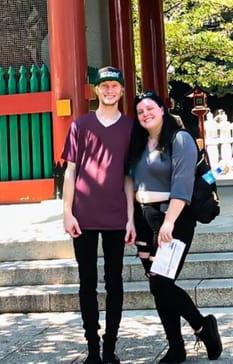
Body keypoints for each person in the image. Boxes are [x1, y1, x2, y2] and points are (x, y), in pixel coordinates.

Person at [128, 91, 223, 362]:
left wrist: (169, 221)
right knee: (157, 284)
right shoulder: (140, 143)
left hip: (174, 217)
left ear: (162, 109)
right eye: (140, 111)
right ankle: (176, 347)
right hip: (145, 218)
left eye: (150, 108)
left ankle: (203, 327)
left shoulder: (179, 139)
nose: (145, 113)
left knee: (161, 283)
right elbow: (131, 182)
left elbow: (183, 184)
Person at [61, 66, 136, 364]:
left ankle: (110, 346)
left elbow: (130, 177)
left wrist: (131, 217)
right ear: (96, 90)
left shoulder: (131, 127)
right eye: (103, 85)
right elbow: (70, 171)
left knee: (114, 282)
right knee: (87, 282)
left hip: (117, 215)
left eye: (114, 86)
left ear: (121, 90)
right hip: (84, 215)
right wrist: (67, 212)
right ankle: (92, 346)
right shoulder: (81, 126)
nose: (108, 90)